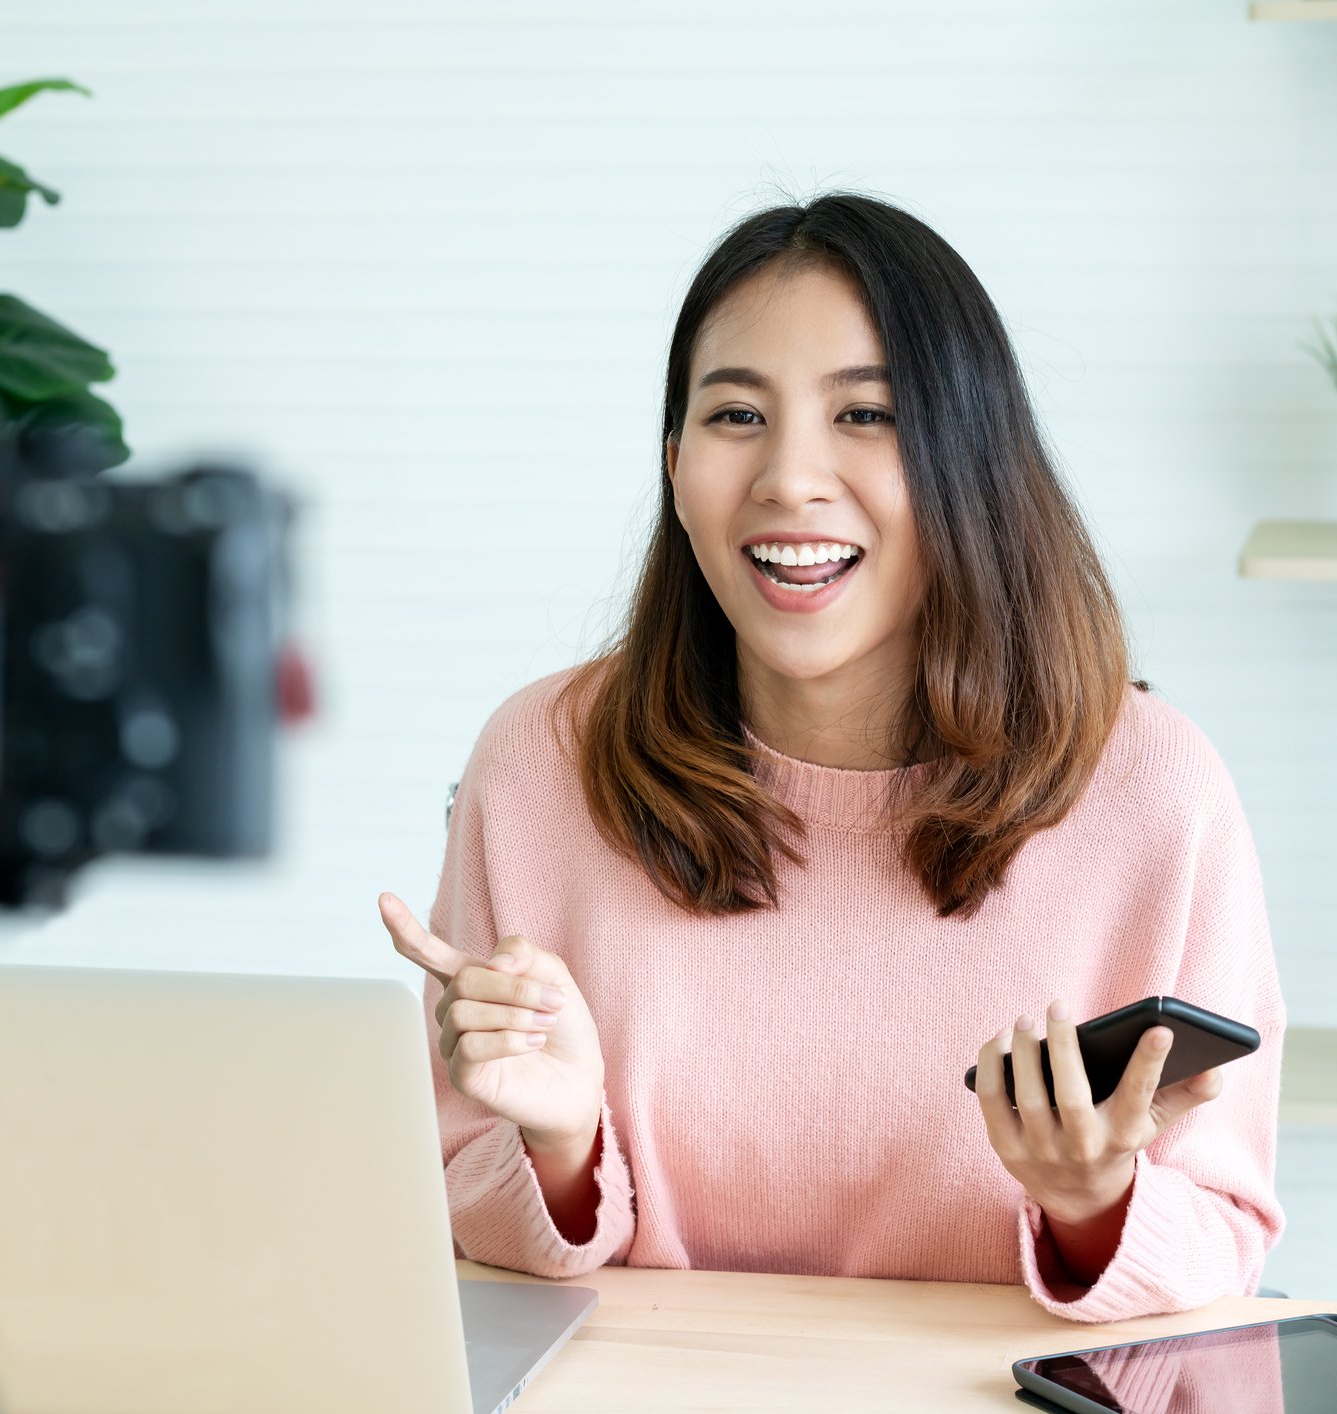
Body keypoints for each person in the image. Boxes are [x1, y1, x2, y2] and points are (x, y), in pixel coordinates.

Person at [378, 192, 1285, 1324]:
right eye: (733, 417)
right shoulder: (539, 767)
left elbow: (1226, 1238)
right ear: (672, 462)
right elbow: (460, 1216)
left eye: (865, 416)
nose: (787, 480)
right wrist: (559, 1147)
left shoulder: (1154, 792)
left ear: (970, 458)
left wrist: (1092, 1202)